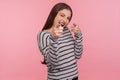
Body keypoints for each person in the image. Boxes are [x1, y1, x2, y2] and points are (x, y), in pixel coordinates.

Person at [37, 2, 83, 80]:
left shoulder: (66, 31)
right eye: (62, 15)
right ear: (54, 14)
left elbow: (78, 55)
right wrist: (54, 39)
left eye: (68, 18)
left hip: (74, 76)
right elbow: (53, 63)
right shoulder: (43, 35)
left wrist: (78, 36)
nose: (65, 20)